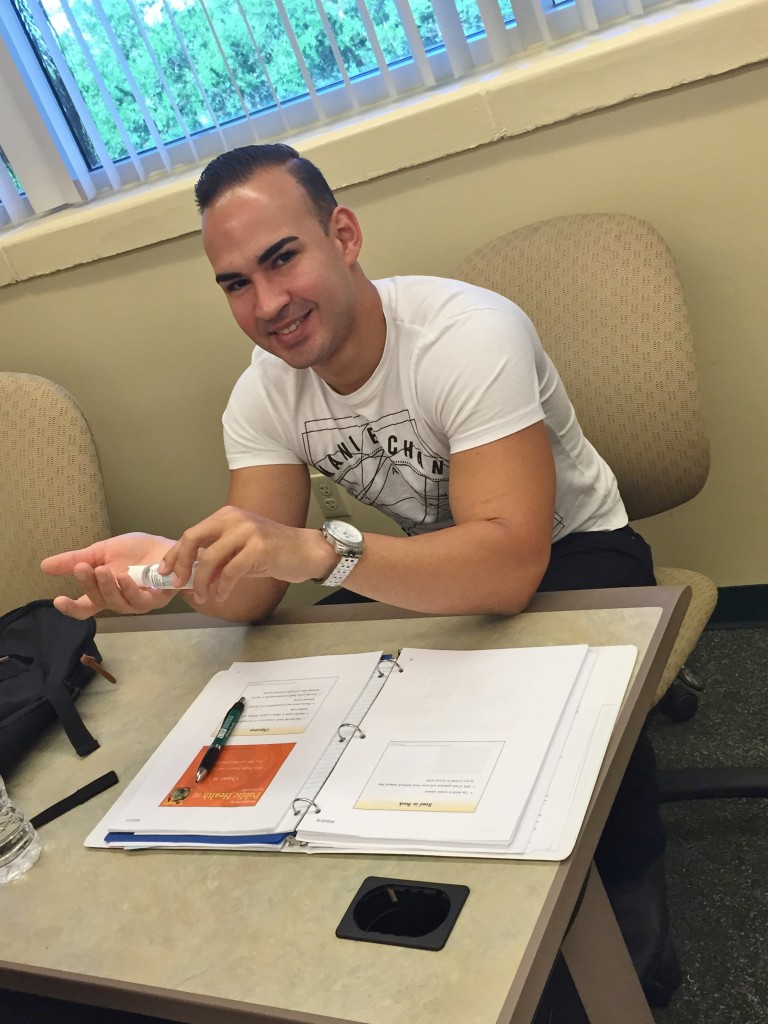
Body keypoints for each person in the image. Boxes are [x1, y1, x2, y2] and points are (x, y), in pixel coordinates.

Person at [42, 143, 679, 1006]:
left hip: (573, 546)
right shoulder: (264, 393)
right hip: (433, 557)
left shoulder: (468, 334)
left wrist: (321, 550)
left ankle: (632, 912)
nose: (267, 304)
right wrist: (170, 572)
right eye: (235, 283)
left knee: (580, 708)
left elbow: (505, 569)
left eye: (282, 258)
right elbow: (256, 590)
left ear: (342, 234)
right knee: (320, 691)